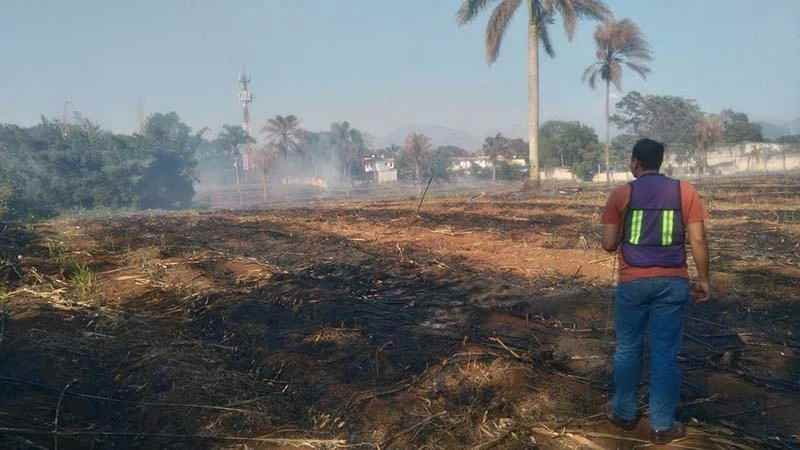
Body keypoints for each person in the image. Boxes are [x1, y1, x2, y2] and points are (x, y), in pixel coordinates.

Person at [600, 138, 710, 444]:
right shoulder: (685, 191)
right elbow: (698, 241)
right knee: (665, 352)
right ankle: (662, 425)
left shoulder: (622, 194)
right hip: (673, 283)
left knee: (628, 348)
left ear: (635, 162)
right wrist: (704, 279)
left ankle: (623, 413)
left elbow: (609, 244)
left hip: (632, 283)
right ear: (660, 162)